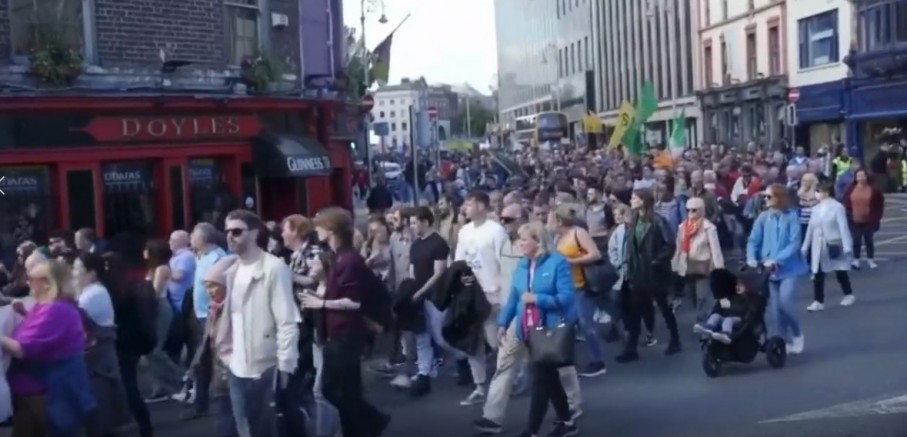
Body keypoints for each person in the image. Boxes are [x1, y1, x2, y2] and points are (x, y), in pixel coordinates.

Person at [303, 207, 391, 436]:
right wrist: (321, 295)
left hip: (347, 333)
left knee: (339, 390)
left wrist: (321, 304)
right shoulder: (339, 258)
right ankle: (368, 423)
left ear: (331, 230)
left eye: (319, 226)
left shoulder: (349, 260)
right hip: (338, 332)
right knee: (338, 390)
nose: (316, 230)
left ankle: (367, 424)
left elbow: (353, 302)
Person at [217, 209, 300, 437]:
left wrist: (284, 366)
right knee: (244, 430)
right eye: (227, 232)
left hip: (265, 367)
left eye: (237, 231)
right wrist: (226, 355)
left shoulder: (273, 268)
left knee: (268, 430)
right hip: (236, 365)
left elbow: (287, 321)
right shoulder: (232, 272)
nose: (230, 236)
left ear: (254, 234)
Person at [497, 222, 579, 437]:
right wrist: (503, 322)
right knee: (549, 379)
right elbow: (514, 297)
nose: (520, 244)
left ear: (538, 241)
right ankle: (568, 422)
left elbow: (566, 297)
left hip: (550, 330)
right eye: (520, 239)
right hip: (528, 330)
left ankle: (531, 430)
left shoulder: (557, 262)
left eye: (524, 239)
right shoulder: (523, 265)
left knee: (541, 380)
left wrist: (538, 299)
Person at [1, 260, 95, 436]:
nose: (28, 282)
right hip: (40, 392)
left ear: (46, 283)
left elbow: (23, 349)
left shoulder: (55, 309)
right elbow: (45, 335)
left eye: (31, 278)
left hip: (49, 394)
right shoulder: (50, 306)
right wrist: (24, 313)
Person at [454, 191, 509, 406]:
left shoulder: (496, 231)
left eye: (470, 204)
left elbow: (504, 263)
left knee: (495, 341)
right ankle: (479, 387)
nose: (465, 208)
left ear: (482, 206)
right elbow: (459, 261)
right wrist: (460, 280)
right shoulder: (464, 231)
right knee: (472, 342)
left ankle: (516, 373)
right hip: (469, 296)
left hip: (492, 293)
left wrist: (500, 292)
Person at [617, 189, 680, 362]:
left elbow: (670, 244)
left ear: (644, 200)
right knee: (635, 311)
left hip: (655, 273)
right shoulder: (634, 219)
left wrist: (655, 260)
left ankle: (675, 339)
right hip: (637, 272)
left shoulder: (658, 221)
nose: (631, 200)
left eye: (635, 198)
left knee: (664, 307)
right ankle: (631, 348)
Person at [746, 184, 810, 355]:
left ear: (779, 198)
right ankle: (783, 341)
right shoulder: (763, 218)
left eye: (768, 197)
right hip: (768, 271)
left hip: (789, 269)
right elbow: (753, 241)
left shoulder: (791, 217)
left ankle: (797, 334)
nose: (765, 200)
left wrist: (778, 260)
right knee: (775, 310)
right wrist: (751, 259)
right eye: (764, 197)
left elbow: (794, 243)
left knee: (786, 303)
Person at [552, 204, 606, 377]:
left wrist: (572, 261)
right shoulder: (558, 237)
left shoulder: (578, 233)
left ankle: (598, 361)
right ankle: (568, 361)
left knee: (586, 323)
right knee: (568, 325)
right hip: (564, 287)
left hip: (580, 285)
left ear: (559, 220)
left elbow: (595, 254)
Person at [404, 206, 450, 396]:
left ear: (425, 221)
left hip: (436, 297)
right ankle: (425, 371)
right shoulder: (415, 245)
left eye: (415, 223)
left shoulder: (438, 243)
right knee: (422, 336)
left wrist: (421, 291)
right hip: (419, 297)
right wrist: (411, 289)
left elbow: (439, 273)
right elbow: (413, 270)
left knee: (441, 337)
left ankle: (465, 359)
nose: (413, 226)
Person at [803, 181, 855, 312]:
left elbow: (843, 227)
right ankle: (818, 301)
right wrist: (805, 246)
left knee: (840, 269)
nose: (816, 194)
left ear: (826, 192)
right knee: (818, 272)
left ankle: (848, 294)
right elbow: (811, 228)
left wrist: (847, 246)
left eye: (818, 191)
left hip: (833, 243)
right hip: (818, 244)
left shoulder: (837, 207)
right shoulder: (815, 209)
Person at [671, 197, 725, 325]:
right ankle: (704, 317)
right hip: (687, 265)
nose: (691, 213)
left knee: (702, 295)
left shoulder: (708, 228)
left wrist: (720, 270)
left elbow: (715, 250)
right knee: (692, 296)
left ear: (701, 210)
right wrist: (675, 264)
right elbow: (679, 247)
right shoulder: (682, 227)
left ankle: (703, 321)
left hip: (703, 266)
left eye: (694, 210)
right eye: (688, 210)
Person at [693, 268, 763, 344]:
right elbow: (719, 307)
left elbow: (750, 310)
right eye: (737, 286)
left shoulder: (748, 298)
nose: (738, 288)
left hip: (739, 318)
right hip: (727, 316)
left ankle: (726, 334)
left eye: (741, 286)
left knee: (728, 320)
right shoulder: (730, 296)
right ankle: (709, 327)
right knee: (715, 316)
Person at [842, 168, 884, 270]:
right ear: (855, 178)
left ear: (867, 177)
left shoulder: (873, 190)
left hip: (869, 220)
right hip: (854, 219)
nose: (861, 178)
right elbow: (845, 202)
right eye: (858, 176)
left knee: (868, 239)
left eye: (863, 176)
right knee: (856, 239)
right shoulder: (850, 189)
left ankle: (870, 259)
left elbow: (879, 203)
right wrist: (848, 215)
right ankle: (856, 260)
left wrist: (877, 217)